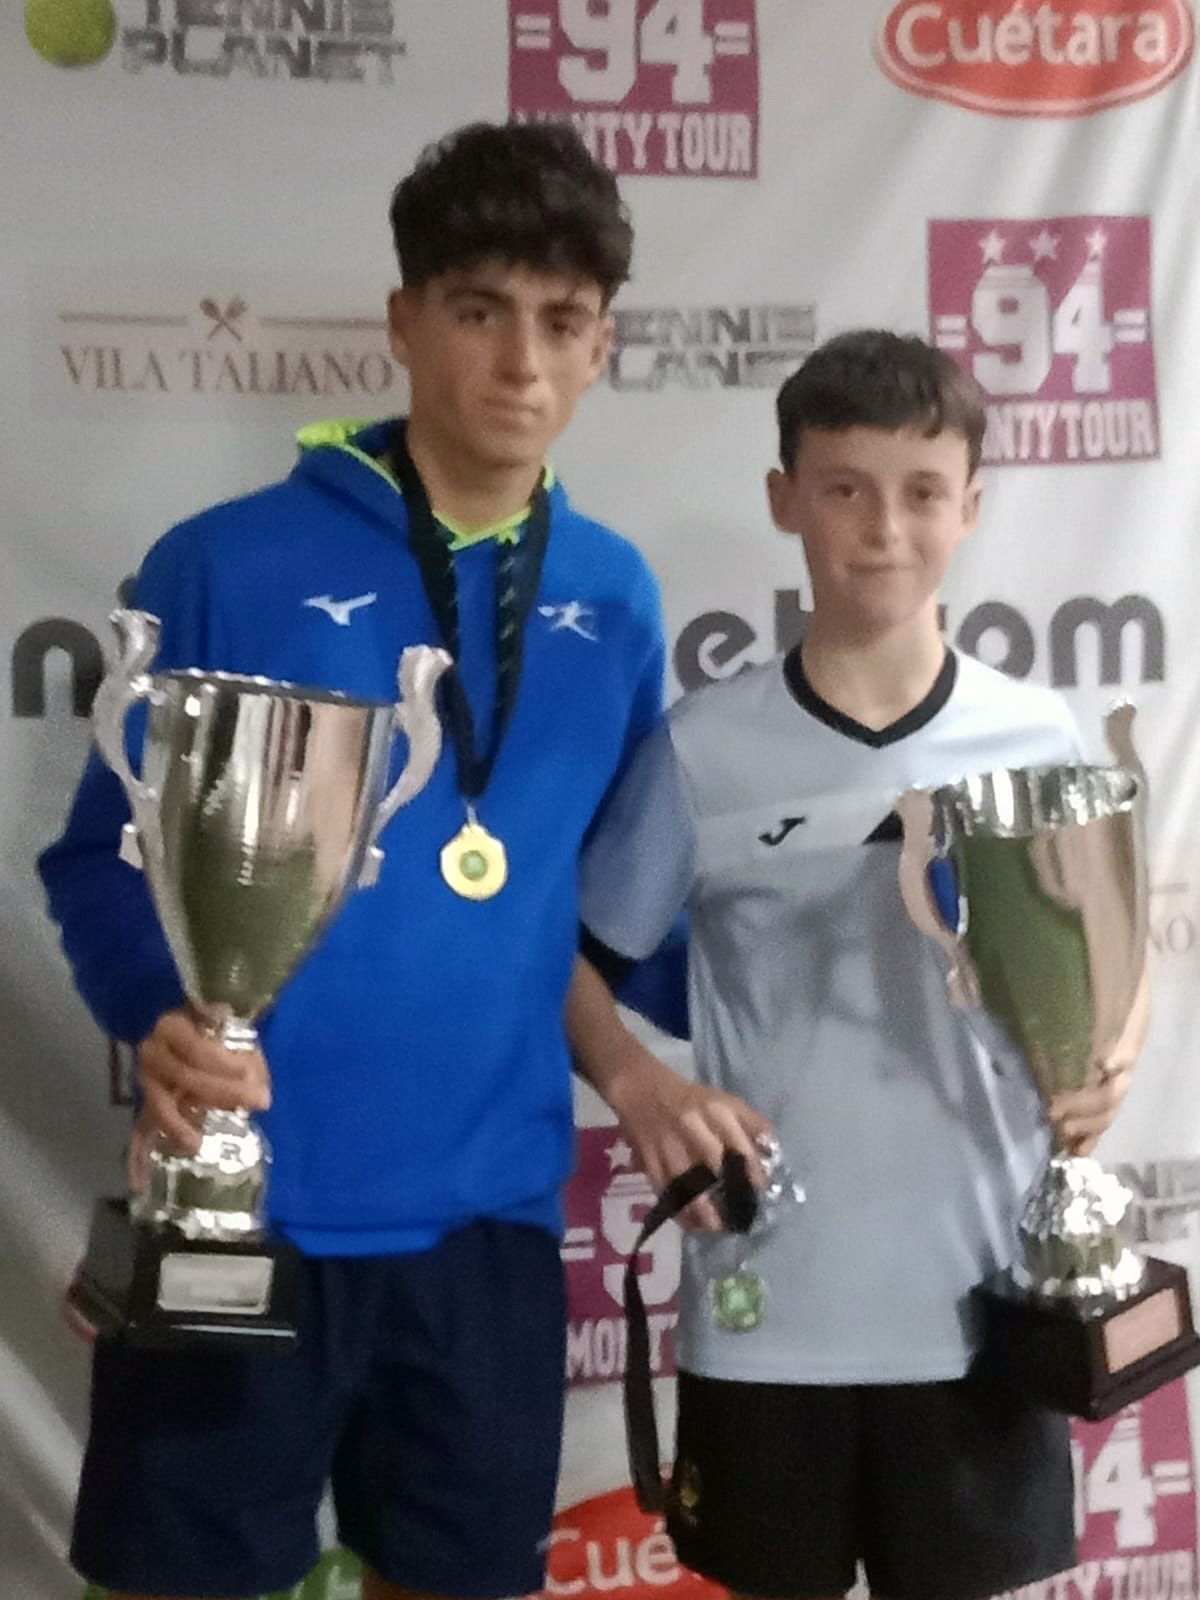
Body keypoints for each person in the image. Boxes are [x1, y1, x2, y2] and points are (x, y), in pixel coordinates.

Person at [38, 120, 667, 1600]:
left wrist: (658, 1072)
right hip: (248, 1199)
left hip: (489, 1222)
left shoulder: (616, 596)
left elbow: (614, 909)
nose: (521, 361)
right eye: (479, 309)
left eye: (562, 321)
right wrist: (163, 1008)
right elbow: (100, 862)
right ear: (403, 321)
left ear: (602, 349)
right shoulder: (222, 562)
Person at [568, 329, 1149, 1600]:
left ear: (971, 506)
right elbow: (571, 961)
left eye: (923, 490)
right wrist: (639, 1083)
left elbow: (1116, 957)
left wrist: (1111, 1055)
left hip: (986, 1311)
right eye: (845, 487)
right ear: (785, 499)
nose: (885, 527)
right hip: (769, 1318)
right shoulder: (704, 748)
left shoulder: (1037, 735)